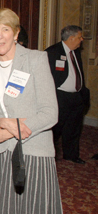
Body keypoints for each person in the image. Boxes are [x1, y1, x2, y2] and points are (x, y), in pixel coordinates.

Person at [0, 8, 63, 214]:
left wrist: (7, 131)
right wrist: (1, 121)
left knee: (32, 211)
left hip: (33, 151)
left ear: (15, 34)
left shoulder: (36, 60)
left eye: (5, 29)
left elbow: (50, 113)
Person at [45, 25, 90, 164]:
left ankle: (71, 155)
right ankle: (47, 156)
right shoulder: (52, 52)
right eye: (79, 37)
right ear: (71, 38)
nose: (81, 40)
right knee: (55, 129)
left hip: (76, 96)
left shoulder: (75, 52)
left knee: (74, 128)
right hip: (60, 97)